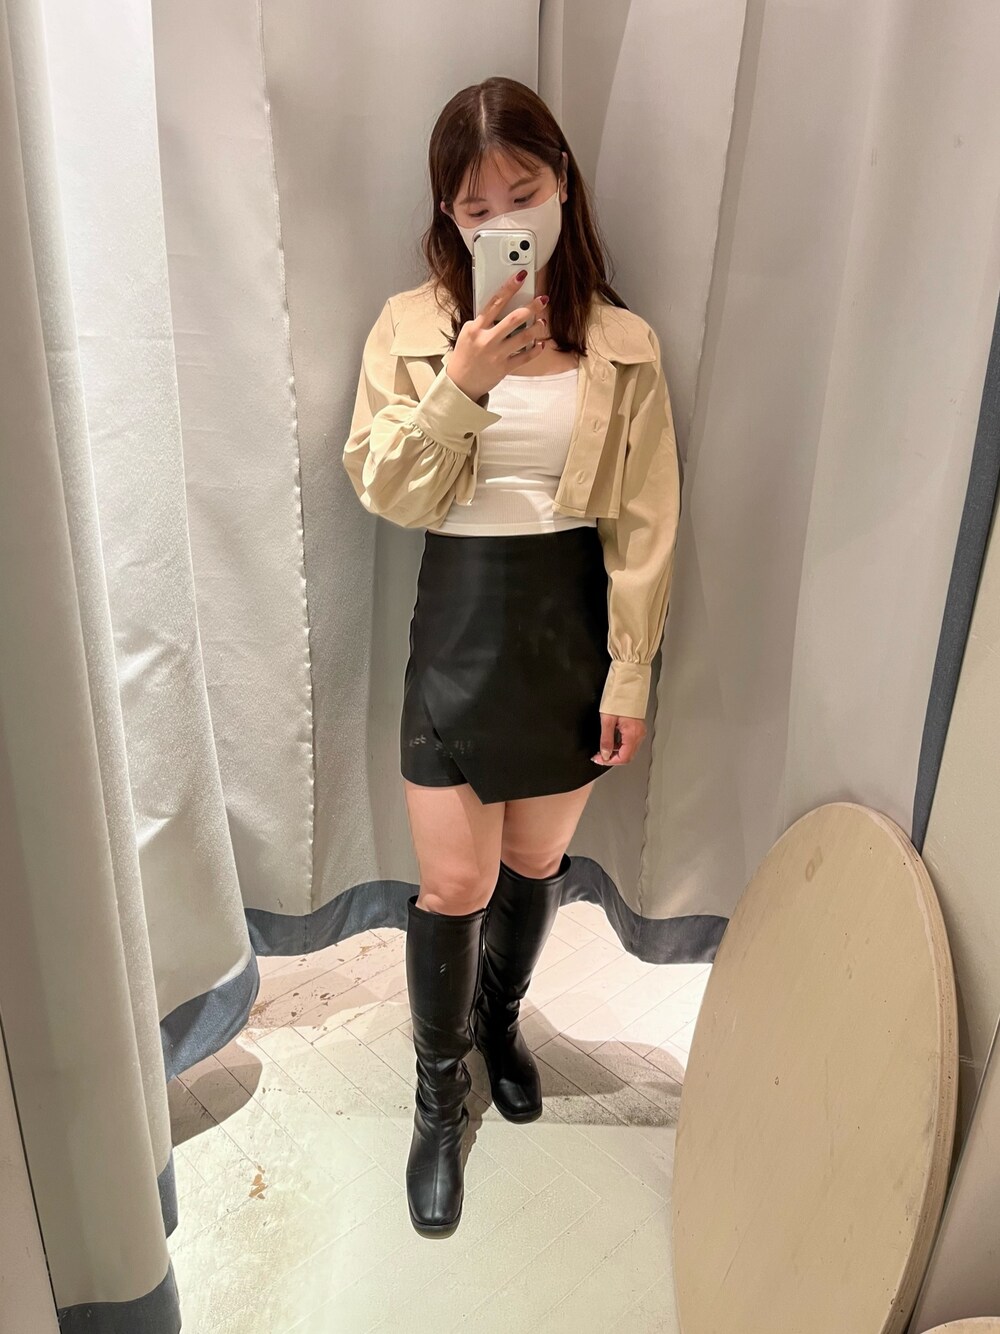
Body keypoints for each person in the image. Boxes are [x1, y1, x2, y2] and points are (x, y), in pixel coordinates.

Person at [343, 75, 680, 1239]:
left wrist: (628, 669)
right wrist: (464, 384)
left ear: (562, 182)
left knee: (536, 861)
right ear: (447, 211)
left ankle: (498, 1022)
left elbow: (644, 519)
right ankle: (439, 1100)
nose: (501, 222)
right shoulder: (412, 328)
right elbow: (384, 487)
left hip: (568, 628)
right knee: (454, 883)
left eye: (521, 193)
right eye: (474, 206)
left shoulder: (621, 343)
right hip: (457, 624)